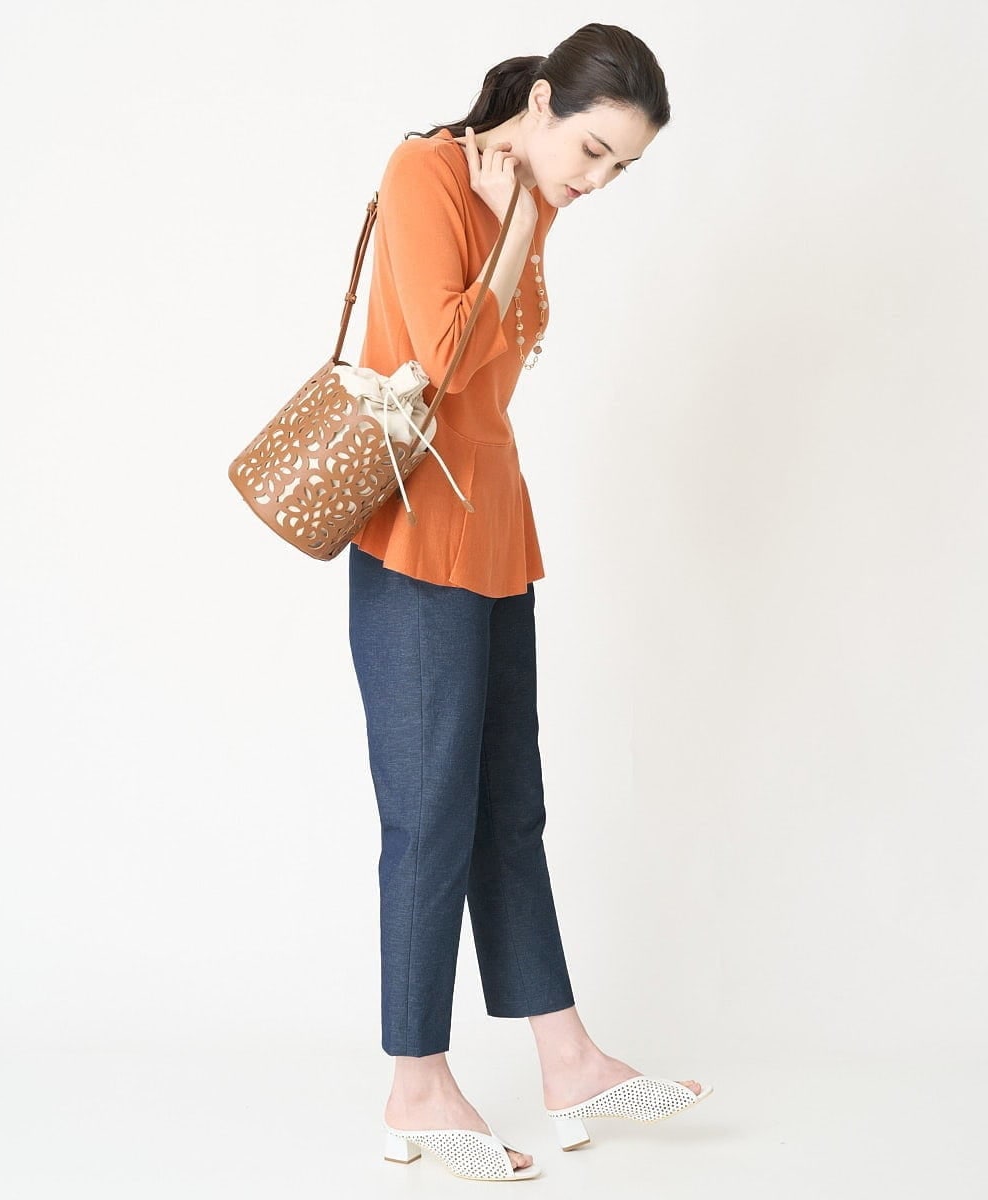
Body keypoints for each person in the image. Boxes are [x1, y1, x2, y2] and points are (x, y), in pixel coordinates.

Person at [347, 22, 712, 1182]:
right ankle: (415, 1081)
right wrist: (509, 228)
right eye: (594, 151)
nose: (596, 181)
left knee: (511, 808)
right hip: (415, 536)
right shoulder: (426, 173)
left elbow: (504, 364)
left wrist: (524, 223)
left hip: (497, 533)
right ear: (543, 102)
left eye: (621, 168)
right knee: (428, 814)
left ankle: (567, 1057)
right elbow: (450, 362)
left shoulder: (535, 203)